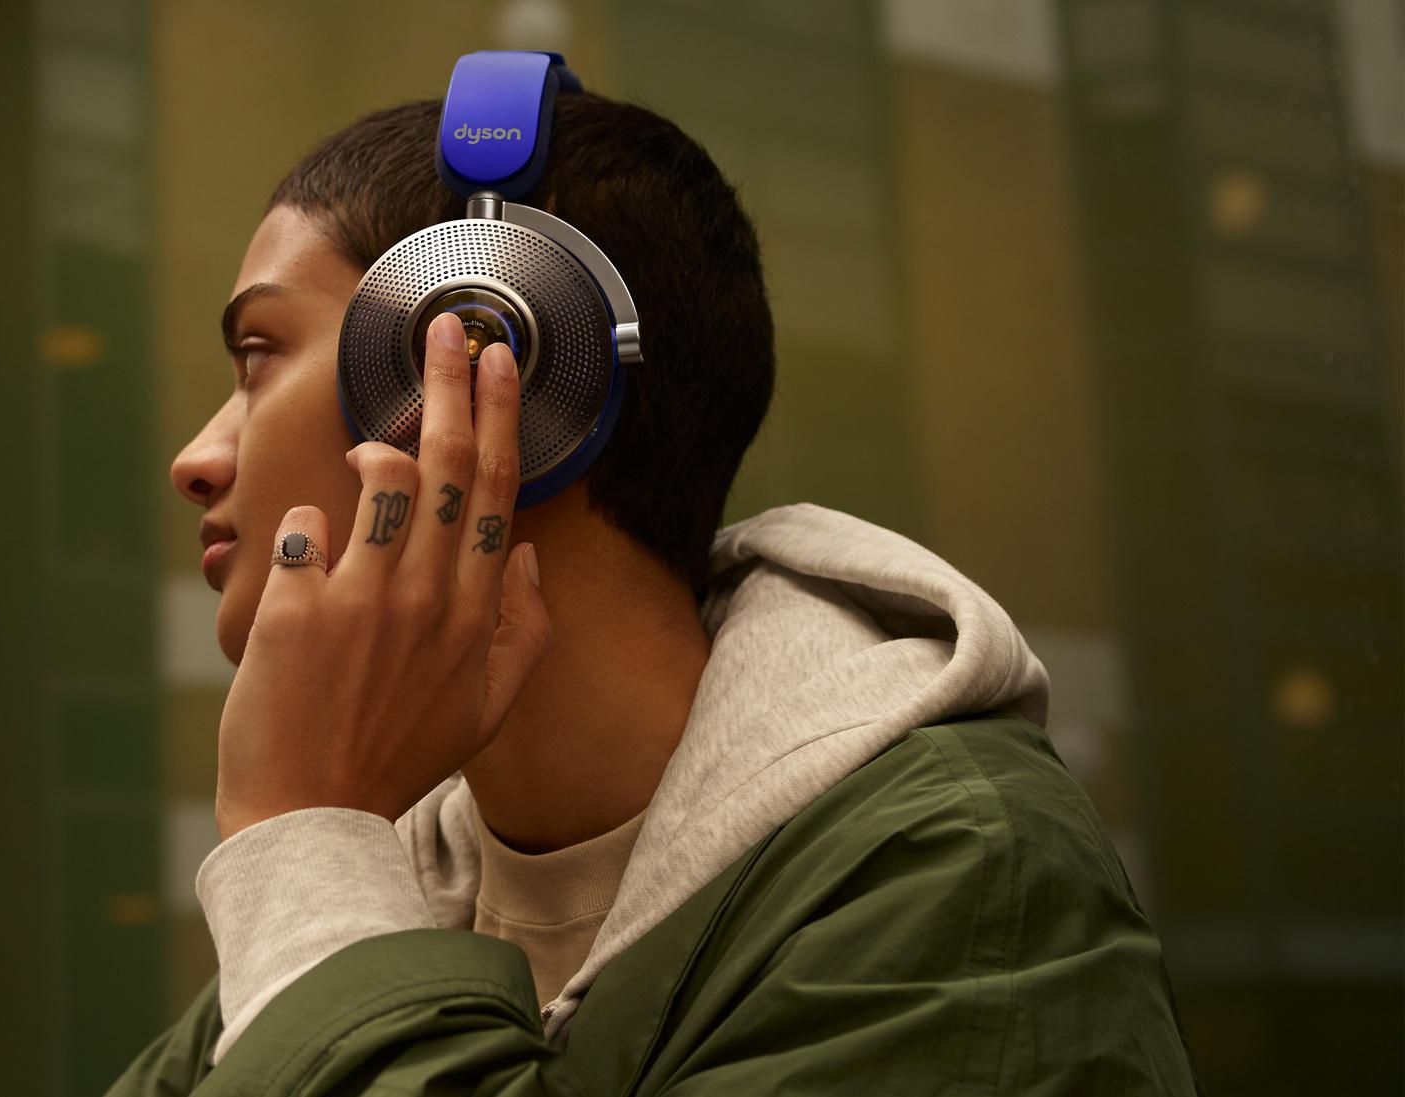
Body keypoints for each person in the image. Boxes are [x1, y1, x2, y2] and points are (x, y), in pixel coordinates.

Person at [114, 86, 1204, 1094]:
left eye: (257, 354)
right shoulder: (375, 876)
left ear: (505, 366)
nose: (196, 460)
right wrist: (318, 860)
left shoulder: (959, 882)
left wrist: (304, 843)